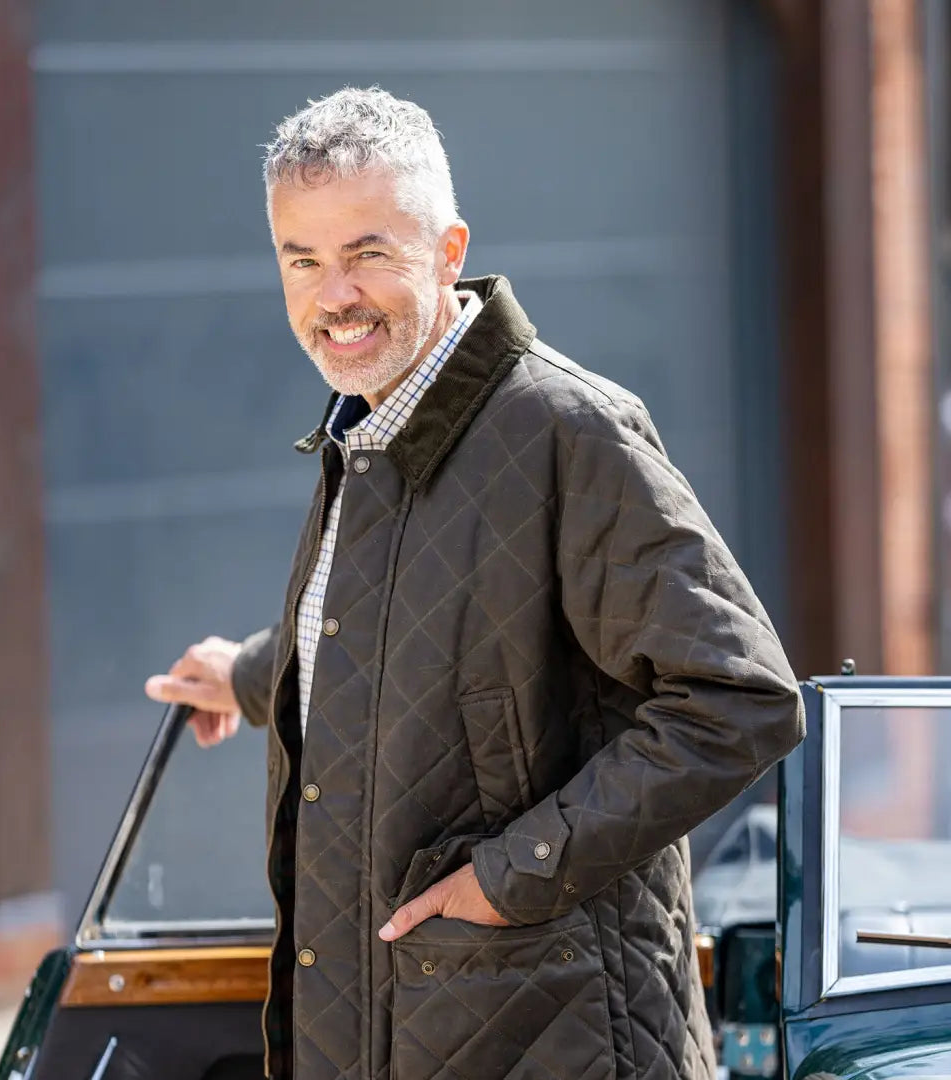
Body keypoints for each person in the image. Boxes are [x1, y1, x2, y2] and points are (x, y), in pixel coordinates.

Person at [146, 87, 804, 1080]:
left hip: (553, 1038)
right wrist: (247, 676)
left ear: (450, 251)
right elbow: (420, 635)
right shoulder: (368, 429)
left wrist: (510, 877)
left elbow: (739, 699)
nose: (333, 295)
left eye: (368, 252)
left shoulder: (568, 431)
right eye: (303, 259)